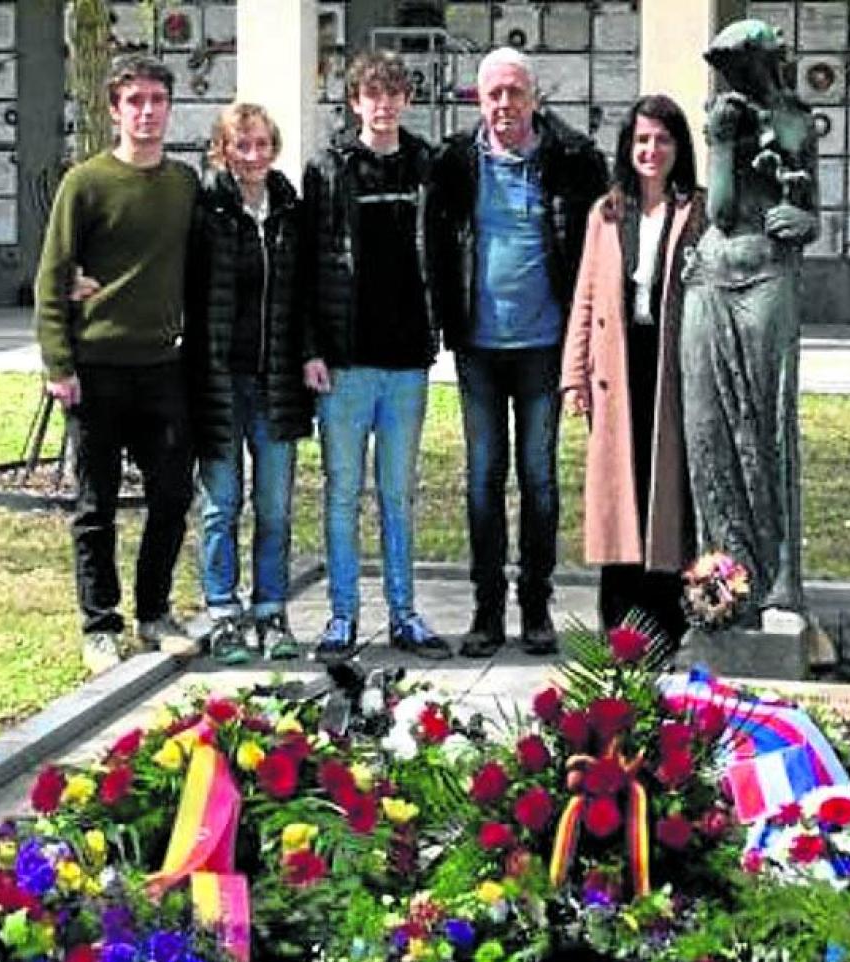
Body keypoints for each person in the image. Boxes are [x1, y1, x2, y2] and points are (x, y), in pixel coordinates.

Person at [427, 47, 608, 658]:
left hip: (543, 346)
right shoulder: (453, 161)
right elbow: (436, 246)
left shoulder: (573, 159)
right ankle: (485, 610)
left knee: (540, 479)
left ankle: (536, 605)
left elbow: (596, 248)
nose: (504, 105)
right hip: (478, 346)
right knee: (482, 481)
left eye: (514, 92)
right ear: (478, 99)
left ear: (534, 98)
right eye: (493, 94)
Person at [35, 55, 199, 675]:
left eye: (157, 99)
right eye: (135, 101)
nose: (147, 111)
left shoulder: (184, 184)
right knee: (96, 504)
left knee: (172, 495)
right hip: (96, 369)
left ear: (169, 107)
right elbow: (52, 278)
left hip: (163, 366)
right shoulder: (86, 182)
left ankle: (154, 613)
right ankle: (99, 623)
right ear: (114, 109)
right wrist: (58, 363)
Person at [301, 50, 451, 663]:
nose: (383, 104)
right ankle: (341, 617)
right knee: (342, 494)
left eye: (393, 93)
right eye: (372, 94)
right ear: (355, 101)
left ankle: (405, 613)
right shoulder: (328, 168)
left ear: (406, 101)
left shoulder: (427, 166)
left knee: (397, 494)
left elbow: (448, 247)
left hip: (407, 361)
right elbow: (308, 267)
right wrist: (311, 349)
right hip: (346, 361)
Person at [680, 19, 819, 621]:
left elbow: (811, 208)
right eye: (724, 65)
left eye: (740, 62)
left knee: (768, 425)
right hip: (713, 279)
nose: (731, 75)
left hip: (769, 277)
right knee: (707, 430)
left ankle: (781, 579)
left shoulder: (795, 118)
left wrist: (806, 221)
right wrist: (718, 145)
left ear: (766, 61)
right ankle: (721, 579)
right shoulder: (722, 116)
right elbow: (720, 210)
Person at [561, 94, 705, 650]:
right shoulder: (608, 211)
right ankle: (620, 628)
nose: (651, 150)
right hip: (615, 368)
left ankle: (668, 620)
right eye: (642, 140)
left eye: (662, 139)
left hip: (671, 367)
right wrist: (574, 374)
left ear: (678, 147)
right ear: (628, 146)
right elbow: (586, 294)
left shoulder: (696, 210)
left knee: (665, 489)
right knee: (618, 495)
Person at [188, 102, 312, 663]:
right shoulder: (206, 209)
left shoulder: (289, 208)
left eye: (262, 144)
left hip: (276, 379)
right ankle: (222, 611)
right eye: (242, 146)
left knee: (275, 506)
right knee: (221, 503)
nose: (253, 156)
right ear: (223, 150)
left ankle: (271, 609)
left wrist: (310, 355)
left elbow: (305, 293)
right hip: (218, 378)